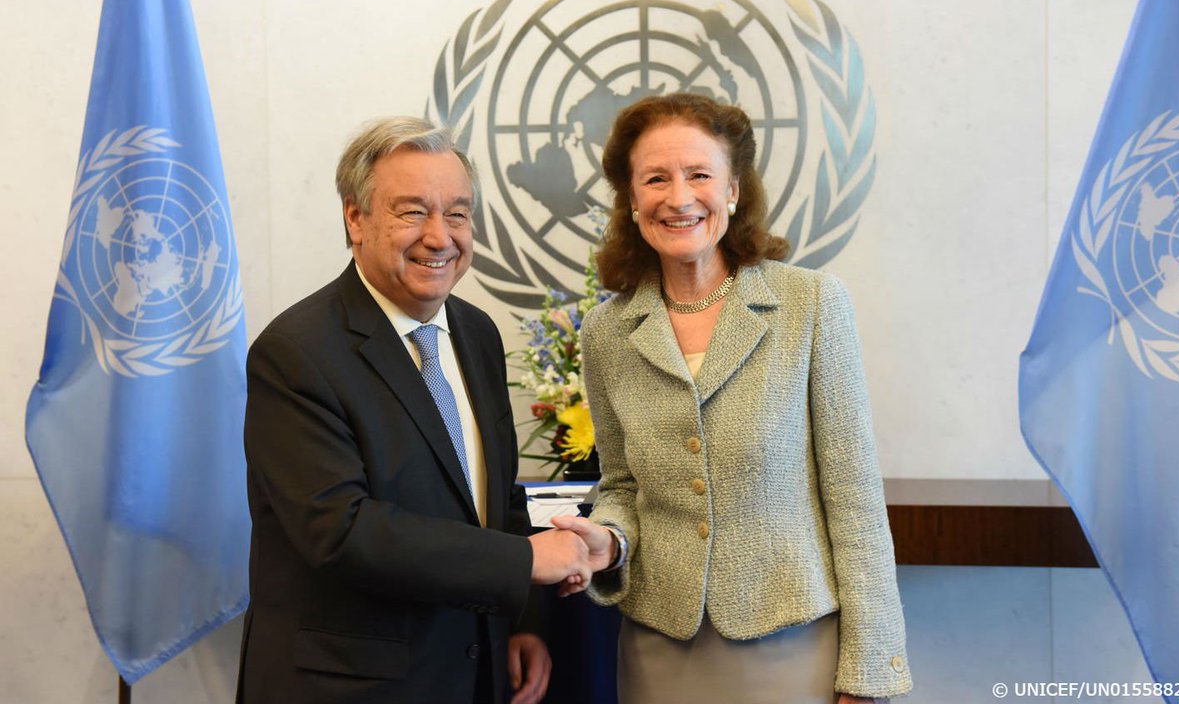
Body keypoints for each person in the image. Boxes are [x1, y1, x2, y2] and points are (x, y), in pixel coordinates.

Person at [552, 93, 913, 703]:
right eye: (656, 178)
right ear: (632, 199)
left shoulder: (812, 305)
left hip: (794, 646)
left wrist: (870, 668)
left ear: (735, 189)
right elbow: (621, 488)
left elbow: (854, 500)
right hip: (659, 650)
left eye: (700, 174)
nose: (679, 196)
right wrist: (607, 540)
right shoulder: (607, 332)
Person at [237, 117, 602, 704]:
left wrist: (519, 622)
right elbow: (342, 530)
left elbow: (492, 498)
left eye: (457, 214)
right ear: (355, 218)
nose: (440, 236)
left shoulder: (476, 333)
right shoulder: (296, 352)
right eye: (412, 212)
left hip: (475, 673)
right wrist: (520, 562)